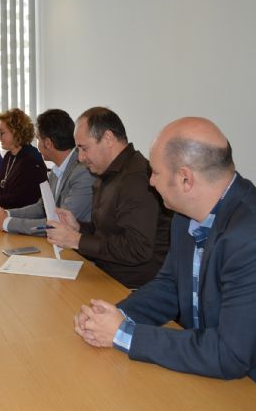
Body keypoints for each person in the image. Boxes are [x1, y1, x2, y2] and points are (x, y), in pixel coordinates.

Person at [73, 117, 256, 406]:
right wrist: (116, 316)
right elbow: (170, 286)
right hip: (204, 368)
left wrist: (124, 334)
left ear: (186, 179)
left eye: (155, 173)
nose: (150, 182)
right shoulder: (187, 214)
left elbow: (230, 354)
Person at [46, 107, 171, 289]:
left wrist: (77, 240)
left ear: (108, 138)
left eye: (84, 148)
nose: (80, 158)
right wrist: (78, 227)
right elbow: (108, 233)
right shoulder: (108, 174)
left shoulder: (135, 179)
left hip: (132, 288)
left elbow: (137, 249)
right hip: (106, 276)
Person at [0, 109, 94, 235]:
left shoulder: (83, 173)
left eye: (38, 139)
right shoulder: (57, 170)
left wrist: (6, 223)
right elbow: (41, 207)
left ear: (48, 143)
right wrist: (6, 214)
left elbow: (59, 224)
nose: (37, 145)